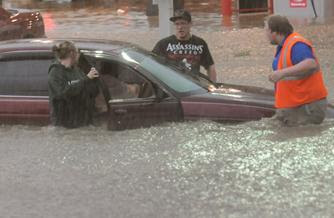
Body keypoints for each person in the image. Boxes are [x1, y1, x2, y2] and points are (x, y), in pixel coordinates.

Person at [265, 15, 328, 126]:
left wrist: (281, 73)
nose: (265, 35)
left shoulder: (296, 44)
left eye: (266, 30)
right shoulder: (283, 47)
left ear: (274, 31)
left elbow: (310, 63)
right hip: (292, 108)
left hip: (306, 108)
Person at [152, 9, 217, 82]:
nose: (180, 27)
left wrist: (213, 87)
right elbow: (150, 65)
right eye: (177, 24)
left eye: (183, 23)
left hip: (194, 85)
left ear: (190, 24)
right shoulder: (163, 44)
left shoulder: (200, 43)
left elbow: (210, 67)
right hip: (172, 86)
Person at [48, 41, 100, 128]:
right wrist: (86, 79)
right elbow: (62, 93)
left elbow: (86, 89)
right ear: (72, 53)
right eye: (77, 52)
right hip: (64, 122)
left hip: (79, 119)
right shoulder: (55, 72)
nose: (78, 55)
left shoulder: (76, 70)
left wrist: (94, 80)